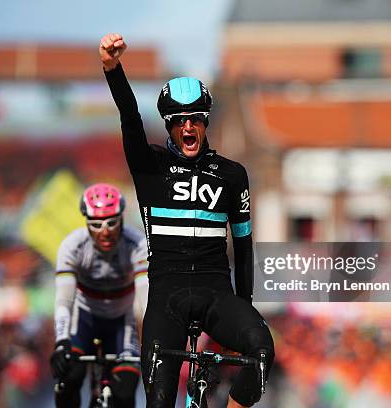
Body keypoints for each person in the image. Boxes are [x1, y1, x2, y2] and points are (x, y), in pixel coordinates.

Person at [99, 33, 275, 408]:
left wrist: (245, 305)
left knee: (261, 352)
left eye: (196, 119)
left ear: (206, 121)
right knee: (159, 400)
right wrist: (113, 69)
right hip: (167, 297)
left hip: (217, 293)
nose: (189, 128)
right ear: (169, 126)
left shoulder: (232, 174)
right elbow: (130, 119)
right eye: (180, 121)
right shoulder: (150, 167)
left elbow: (243, 247)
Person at [50, 183, 148, 408]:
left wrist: (151, 336)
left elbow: (145, 297)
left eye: (112, 223)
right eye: (96, 224)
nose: (105, 231)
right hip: (84, 319)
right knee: (69, 378)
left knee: (124, 392)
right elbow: (64, 298)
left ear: (122, 219)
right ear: (86, 222)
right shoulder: (72, 246)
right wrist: (61, 341)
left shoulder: (137, 244)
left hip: (123, 322)